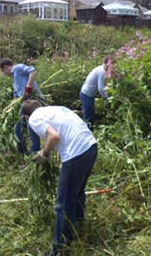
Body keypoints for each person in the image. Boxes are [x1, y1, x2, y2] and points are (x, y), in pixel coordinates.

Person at [21, 100, 98, 255]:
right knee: (76, 194)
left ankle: (60, 250)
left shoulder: (35, 118)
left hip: (76, 154)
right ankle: (78, 229)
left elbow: (54, 136)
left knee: (62, 204)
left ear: (26, 117)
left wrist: (44, 154)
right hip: (91, 147)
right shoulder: (56, 109)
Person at [0, 58, 42, 154]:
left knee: (28, 126)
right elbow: (17, 96)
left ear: (6, 67)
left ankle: (34, 151)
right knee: (21, 127)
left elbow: (33, 71)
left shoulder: (17, 68)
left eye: (3, 71)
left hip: (32, 103)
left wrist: (29, 88)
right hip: (24, 104)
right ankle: (26, 152)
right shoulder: (14, 78)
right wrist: (9, 107)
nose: (3, 73)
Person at [80, 57, 112, 128]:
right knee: (89, 117)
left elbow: (101, 85)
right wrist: (108, 98)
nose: (111, 67)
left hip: (86, 94)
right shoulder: (102, 71)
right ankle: (87, 133)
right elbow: (101, 89)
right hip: (87, 95)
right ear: (106, 63)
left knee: (89, 115)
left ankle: (87, 131)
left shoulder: (99, 68)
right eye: (110, 65)